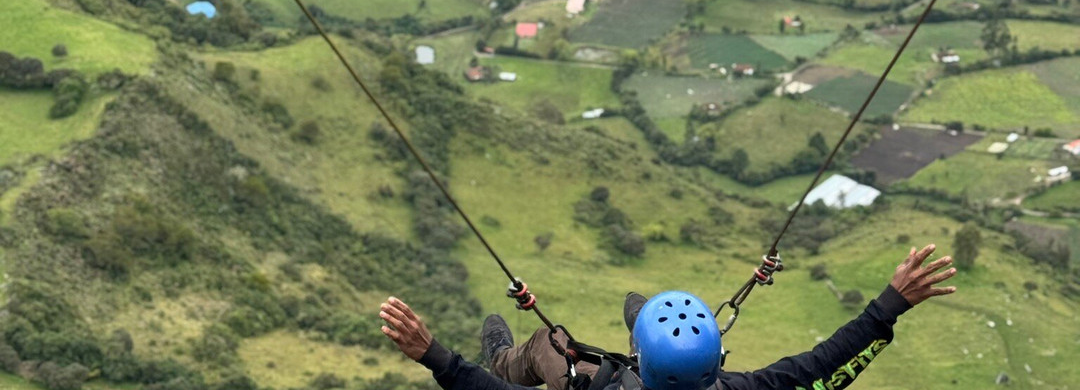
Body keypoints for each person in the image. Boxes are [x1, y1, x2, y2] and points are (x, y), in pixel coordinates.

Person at [380, 242, 956, 390]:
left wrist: (434, 353)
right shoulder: (749, 388)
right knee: (633, 314)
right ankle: (642, 316)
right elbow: (822, 363)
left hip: (596, 376)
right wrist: (888, 307)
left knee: (549, 344)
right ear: (716, 365)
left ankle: (509, 356)